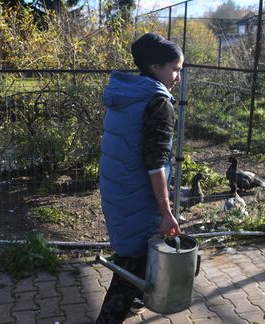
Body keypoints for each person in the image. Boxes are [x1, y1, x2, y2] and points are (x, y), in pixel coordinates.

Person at [96, 32, 184, 324]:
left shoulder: (127, 92)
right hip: (136, 195)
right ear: (155, 68)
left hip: (118, 189)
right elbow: (155, 164)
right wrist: (166, 212)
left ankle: (134, 299)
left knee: (136, 256)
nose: (178, 77)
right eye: (175, 69)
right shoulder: (158, 103)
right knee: (132, 265)